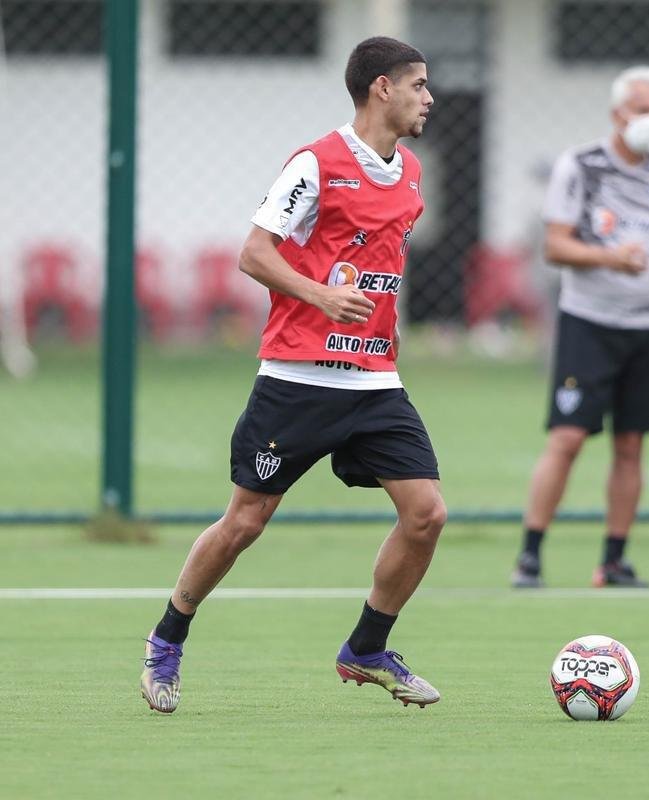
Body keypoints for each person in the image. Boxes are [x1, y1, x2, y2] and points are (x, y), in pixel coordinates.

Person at [140, 38, 444, 714]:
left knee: (425, 515)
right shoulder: (316, 163)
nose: (428, 98)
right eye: (418, 84)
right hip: (297, 377)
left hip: (372, 382)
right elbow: (254, 253)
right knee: (245, 523)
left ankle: (365, 650)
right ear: (380, 89)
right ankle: (167, 637)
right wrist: (321, 296)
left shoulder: (413, 172)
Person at [511, 66, 649, 588]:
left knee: (631, 445)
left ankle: (613, 560)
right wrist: (610, 258)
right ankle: (530, 554)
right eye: (644, 110)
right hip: (590, 323)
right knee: (568, 438)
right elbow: (556, 244)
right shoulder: (582, 165)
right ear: (618, 113)